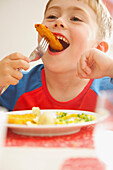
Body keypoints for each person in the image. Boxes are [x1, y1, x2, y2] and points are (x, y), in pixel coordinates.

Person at [0, 0, 113, 112]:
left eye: (75, 19)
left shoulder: (108, 90)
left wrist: (110, 68)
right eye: (52, 16)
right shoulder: (14, 85)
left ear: (98, 49)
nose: (59, 21)